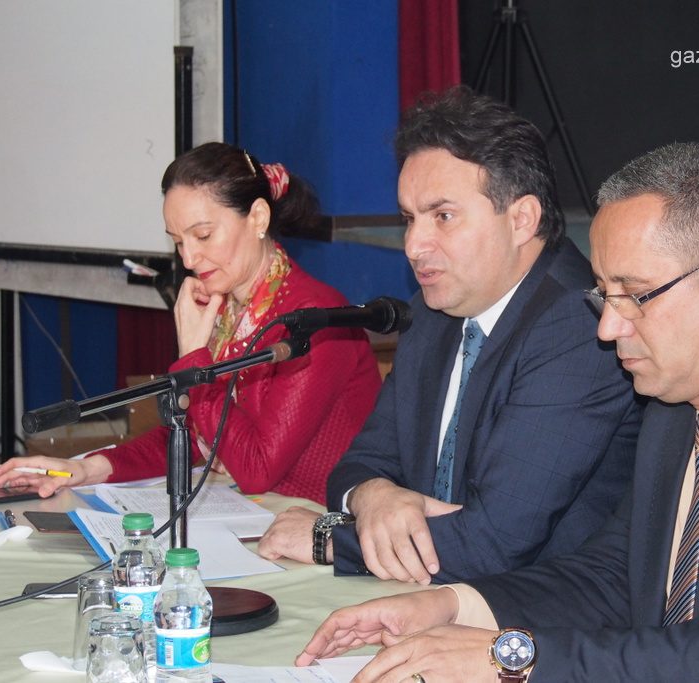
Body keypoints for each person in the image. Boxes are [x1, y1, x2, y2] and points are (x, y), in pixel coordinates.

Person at [293, 142, 699, 681]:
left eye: (635, 295)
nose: (609, 327)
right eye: (603, 294)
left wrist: (511, 657)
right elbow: (614, 575)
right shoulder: (675, 401)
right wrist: (453, 605)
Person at [257, 87, 642, 584]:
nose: (414, 245)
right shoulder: (432, 313)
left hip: (536, 613)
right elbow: (361, 464)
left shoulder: (577, 326)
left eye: (442, 216)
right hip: (436, 593)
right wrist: (377, 497)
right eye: (409, 219)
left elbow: (494, 543)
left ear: (521, 219)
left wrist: (328, 540)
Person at [0, 142, 382, 505]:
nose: (190, 259)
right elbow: (192, 435)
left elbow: (256, 469)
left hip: (321, 526)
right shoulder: (228, 310)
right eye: (178, 241)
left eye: (203, 235)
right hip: (261, 516)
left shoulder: (314, 316)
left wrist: (195, 356)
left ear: (258, 218)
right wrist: (82, 469)